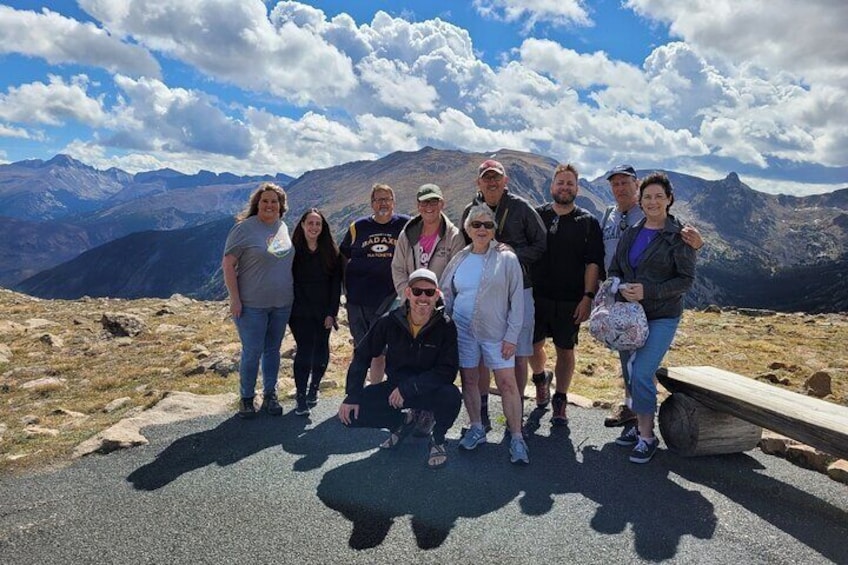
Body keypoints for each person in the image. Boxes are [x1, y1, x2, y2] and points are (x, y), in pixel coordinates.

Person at [600, 164, 704, 428]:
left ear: (669, 199)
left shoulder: (679, 235)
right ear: (641, 200)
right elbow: (615, 268)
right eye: (648, 197)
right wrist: (620, 286)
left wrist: (648, 291)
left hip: (661, 314)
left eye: (659, 196)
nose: (653, 201)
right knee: (630, 371)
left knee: (643, 372)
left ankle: (646, 434)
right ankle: (635, 422)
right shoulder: (632, 233)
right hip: (629, 314)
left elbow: (686, 280)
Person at [338, 268, 462, 470]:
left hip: (427, 389)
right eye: (417, 291)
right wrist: (352, 394)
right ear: (408, 293)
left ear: (437, 295)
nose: (423, 297)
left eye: (429, 292)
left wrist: (410, 388)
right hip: (396, 388)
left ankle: (438, 439)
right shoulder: (389, 321)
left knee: (452, 396)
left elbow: (447, 371)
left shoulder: (445, 326)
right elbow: (362, 355)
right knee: (349, 415)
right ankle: (401, 423)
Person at [460, 159, 546, 431]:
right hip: (483, 293)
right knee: (483, 355)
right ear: (479, 183)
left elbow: (541, 243)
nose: (492, 182)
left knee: (519, 352)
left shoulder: (521, 208)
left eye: (496, 177)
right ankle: (482, 411)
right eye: (487, 178)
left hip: (519, 289)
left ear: (505, 180)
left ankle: (514, 412)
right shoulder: (469, 211)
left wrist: (511, 259)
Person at [441, 204, 530, 464]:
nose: (482, 229)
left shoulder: (507, 259)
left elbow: (517, 300)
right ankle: (477, 427)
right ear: (467, 228)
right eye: (476, 224)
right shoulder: (460, 258)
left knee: (507, 384)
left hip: (497, 333)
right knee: (469, 380)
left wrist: (512, 336)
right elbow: (448, 293)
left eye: (487, 225)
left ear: (494, 230)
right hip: (462, 332)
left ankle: (516, 438)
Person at [529, 164, 604, 425]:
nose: (564, 187)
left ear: (577, 189)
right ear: (552, 186)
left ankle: (560, 398)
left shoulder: (588, 222)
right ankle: (540, 378)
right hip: (536, 297)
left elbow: (593, 262)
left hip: (571, 299)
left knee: (565, 349)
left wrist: (588, 297)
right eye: (560, 183)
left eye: (570, 183)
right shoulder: (536, 215)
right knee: (532, 345)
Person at [391, 182, 466, 436]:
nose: (428, 207)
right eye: (424, 202)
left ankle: (431, 414)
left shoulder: (454, 236)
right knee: (413, 358)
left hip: (438, 310)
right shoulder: (408, 233)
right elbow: (398, 268)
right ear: (417, 205)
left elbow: (456, 272)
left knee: (436, 362)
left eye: (433, 202)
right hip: (412, 308)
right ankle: (414, 409)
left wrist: (435, 301)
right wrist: (409, 296)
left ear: (442, 204)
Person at [222, 182, 294, 419]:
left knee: (273, 350)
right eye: (265, 201)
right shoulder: (244, 229)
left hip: (282, 303)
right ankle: (246, 398)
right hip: (252, 304)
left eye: (274, 201)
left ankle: (270, 395)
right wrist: (235, 299)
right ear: (257, 204)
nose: (270, 205)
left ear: (281, 206)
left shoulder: (283, 227)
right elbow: (228, 264)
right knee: (252, 351)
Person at [339, 183, 410, 384]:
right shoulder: (357, 227)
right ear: (371, 204)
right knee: (361, 349)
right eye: (378, 199)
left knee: (384, 351)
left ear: (394, 202)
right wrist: (346, 287)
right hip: (358, 300)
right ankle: (354, 395)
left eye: (387, 199)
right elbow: (343, 256)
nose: (383, 203)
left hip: (389, 299)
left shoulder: (405, 225)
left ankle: (376, 393)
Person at [289, 208, 343, 416]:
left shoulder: (331, 252)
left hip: (323, 311)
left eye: (317, 224)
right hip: (299, 311)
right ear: (302, 225)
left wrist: (332, 312)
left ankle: (314, 388)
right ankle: (300, 396)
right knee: (304, 350)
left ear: (323, 227)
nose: (313, 227)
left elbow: (335, 284)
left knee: (321, 348)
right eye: (310, 223)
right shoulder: (292, 251)